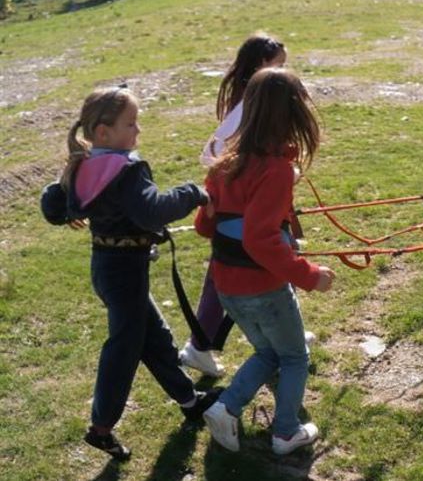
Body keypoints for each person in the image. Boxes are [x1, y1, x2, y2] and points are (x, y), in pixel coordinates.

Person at [40, 87, 220, 460]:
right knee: (124, 349)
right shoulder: (125, 170)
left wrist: (65, 199)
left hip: (109, 269)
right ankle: (101, 428)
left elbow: (54, 207)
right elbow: (152, 211)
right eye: (130, 124)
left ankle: (189, 400)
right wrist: (194, 193)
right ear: (103, 132)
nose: (138, 131)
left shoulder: (87, 164)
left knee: (154, 337)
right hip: (123, 274)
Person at [195, 68, 335, 455]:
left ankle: (226, 407)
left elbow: (204, 228)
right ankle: (286, 431)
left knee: (269, 352)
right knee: (293, 356)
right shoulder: (274, 172)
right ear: (291, 117)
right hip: (263, 289)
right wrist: (309, 275)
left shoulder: (225, 163)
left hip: (227, 287)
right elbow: (260, 240)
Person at [179, 34, 316, 377]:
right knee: (238, 273)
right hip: (239, 212)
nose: (284, 72)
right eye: (279, 66)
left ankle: (286, 333)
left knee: (239, 273)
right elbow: (214, 154)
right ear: (260, 68)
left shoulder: (254, 102)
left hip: (241, 208)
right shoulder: (253, 107)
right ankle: (199, 346)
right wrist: (260, 178)